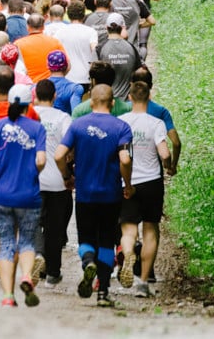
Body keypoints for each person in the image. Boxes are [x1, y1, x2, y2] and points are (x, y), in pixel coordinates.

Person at [54, 84, 133, 308]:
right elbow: (125, 160)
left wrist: (67, 176)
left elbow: (60, 155)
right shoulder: (122, 127)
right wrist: (127, 184)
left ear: (91, 102)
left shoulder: (78, 125)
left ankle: (88, 261)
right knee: (107, 240)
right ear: (112, 103)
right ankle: (103, 292)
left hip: (85, 194)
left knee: (86, 238)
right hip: (111, 194)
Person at [0, 92, 47, 307]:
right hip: (28, 194)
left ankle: (7, 296)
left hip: (1, 193)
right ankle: (26, 276)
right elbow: (41, 160)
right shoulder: (37, 128)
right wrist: (33, 171)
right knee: (27, 241)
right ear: (29, 104)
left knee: (6, 245)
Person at [117, 81, 171, 297]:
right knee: (150, 229)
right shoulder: (156, 123)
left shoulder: (121, 122)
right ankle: (143, 283)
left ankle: (129, 253)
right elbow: (165, 154)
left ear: (129, 97)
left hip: (127, 182)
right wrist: (168, 166)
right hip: (151, 182)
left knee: (128, 229)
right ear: (149, 98)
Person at [31, 79, 73, 287]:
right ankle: (53, 273)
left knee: (35, 223)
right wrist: (68, 172)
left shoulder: (29, 116)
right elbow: (69, 148)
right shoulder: (63, 118)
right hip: (57, 181)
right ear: (55, 96)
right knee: (54, 229)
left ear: (35, 96)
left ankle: (38, 254)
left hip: (32, 180)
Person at [54, 0, 99, 88]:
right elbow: (94, 52)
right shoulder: (91, 32)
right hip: (85, 77)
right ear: (84, 14)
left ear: (68, 13)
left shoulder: (59, 32)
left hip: (66, 76)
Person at [98, 13, 141, 100]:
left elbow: (93, 74)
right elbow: (140, 71)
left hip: (106, 101)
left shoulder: (100, 48)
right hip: (127, 101)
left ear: (106, 28)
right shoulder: (131, 48)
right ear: (122, 28)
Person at [14, 13, 66, 82]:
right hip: (50, 84)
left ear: (27, 27)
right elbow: (67, 64)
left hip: (28, 84)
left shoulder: (18, 44)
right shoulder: (55, 42)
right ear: (43, 27)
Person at [46, 50, 84, 114]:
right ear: (66, 66)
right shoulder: (75, 89)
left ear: (48, 66)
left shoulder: (37, 86)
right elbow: (76, 114)